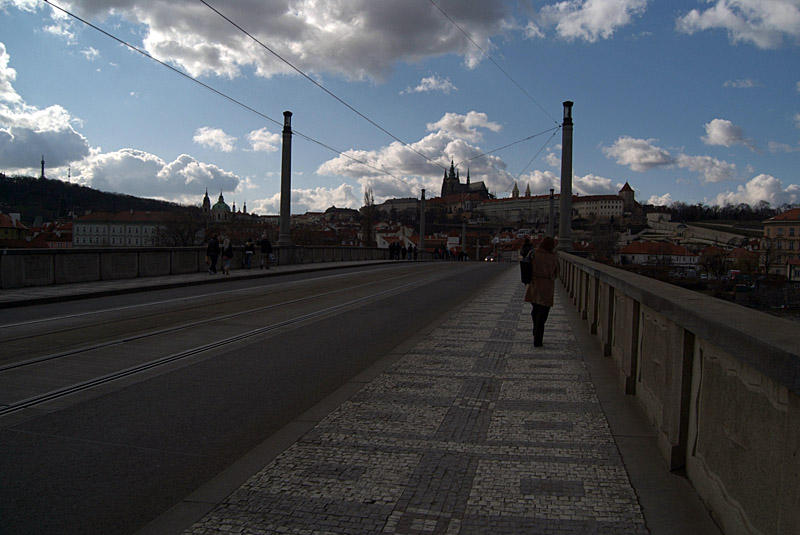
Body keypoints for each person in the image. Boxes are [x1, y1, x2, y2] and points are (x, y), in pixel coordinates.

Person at [524, 236, 559, 347]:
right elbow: (557, 272)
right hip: (547, 286)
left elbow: (526, 265)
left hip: (535, 284)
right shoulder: (553, 257)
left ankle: (536, 329)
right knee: (543, 313)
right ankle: (538, 338)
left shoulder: (534, 253)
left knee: (535, 309)